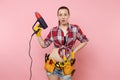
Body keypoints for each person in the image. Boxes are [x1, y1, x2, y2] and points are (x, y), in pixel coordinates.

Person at [33, 6, 88, 80]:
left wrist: (73, 52)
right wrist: (38, 35)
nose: (63, 17)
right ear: (58, 16)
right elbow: (44, 45)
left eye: (65, 14)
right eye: (60, 15)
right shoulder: (53, 30)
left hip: (66, 67)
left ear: (69, 15)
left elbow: (84, 40)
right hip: (52, 65)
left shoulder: (75, 29)